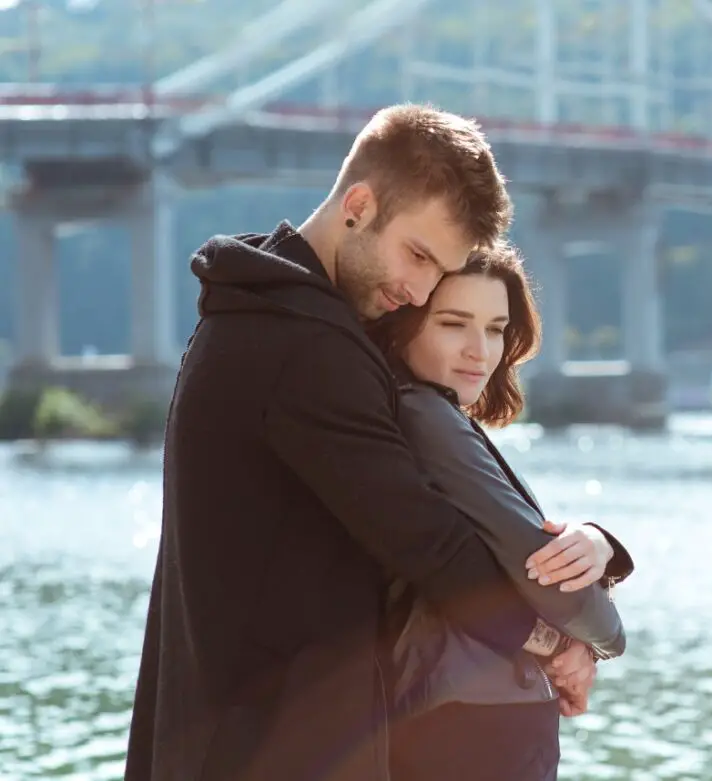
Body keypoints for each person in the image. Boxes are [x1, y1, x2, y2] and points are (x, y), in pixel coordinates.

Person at [125, 104, 602, 781]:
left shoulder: (255, 308)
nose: (416, 289)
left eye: (437, 272)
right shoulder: (305, 348)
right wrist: (554, 641)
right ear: (358, 203)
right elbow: (427, 536)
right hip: (270, 746)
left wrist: (596, 542)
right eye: (416, 254)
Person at [364, 244, 634, 781]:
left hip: (463, 712)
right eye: (453, 324)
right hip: (471, 722)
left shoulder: (432, 415)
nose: (479, 351)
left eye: (494, 329)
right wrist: (604, 638)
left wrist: (599, 544)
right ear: (402, 323)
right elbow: (540, 566)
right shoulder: (424, 416)